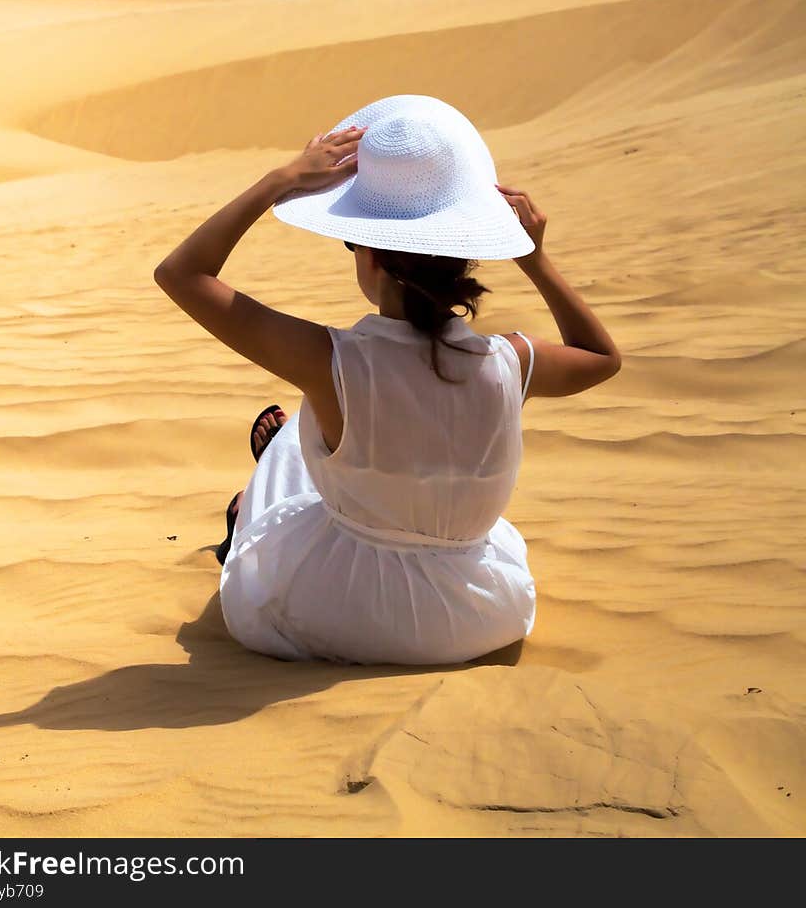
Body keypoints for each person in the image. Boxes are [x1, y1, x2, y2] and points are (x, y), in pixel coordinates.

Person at [154, 94, 621, 665]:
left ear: (368, 253)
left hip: (339, 613)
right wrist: (533, 257)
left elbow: (180, 274)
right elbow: (601, 357)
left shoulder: (327, 360)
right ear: (465, 257)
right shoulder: (512, 359)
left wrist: (280, 179)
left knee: (292, 450)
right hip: (478, 618)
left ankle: (246, 506)